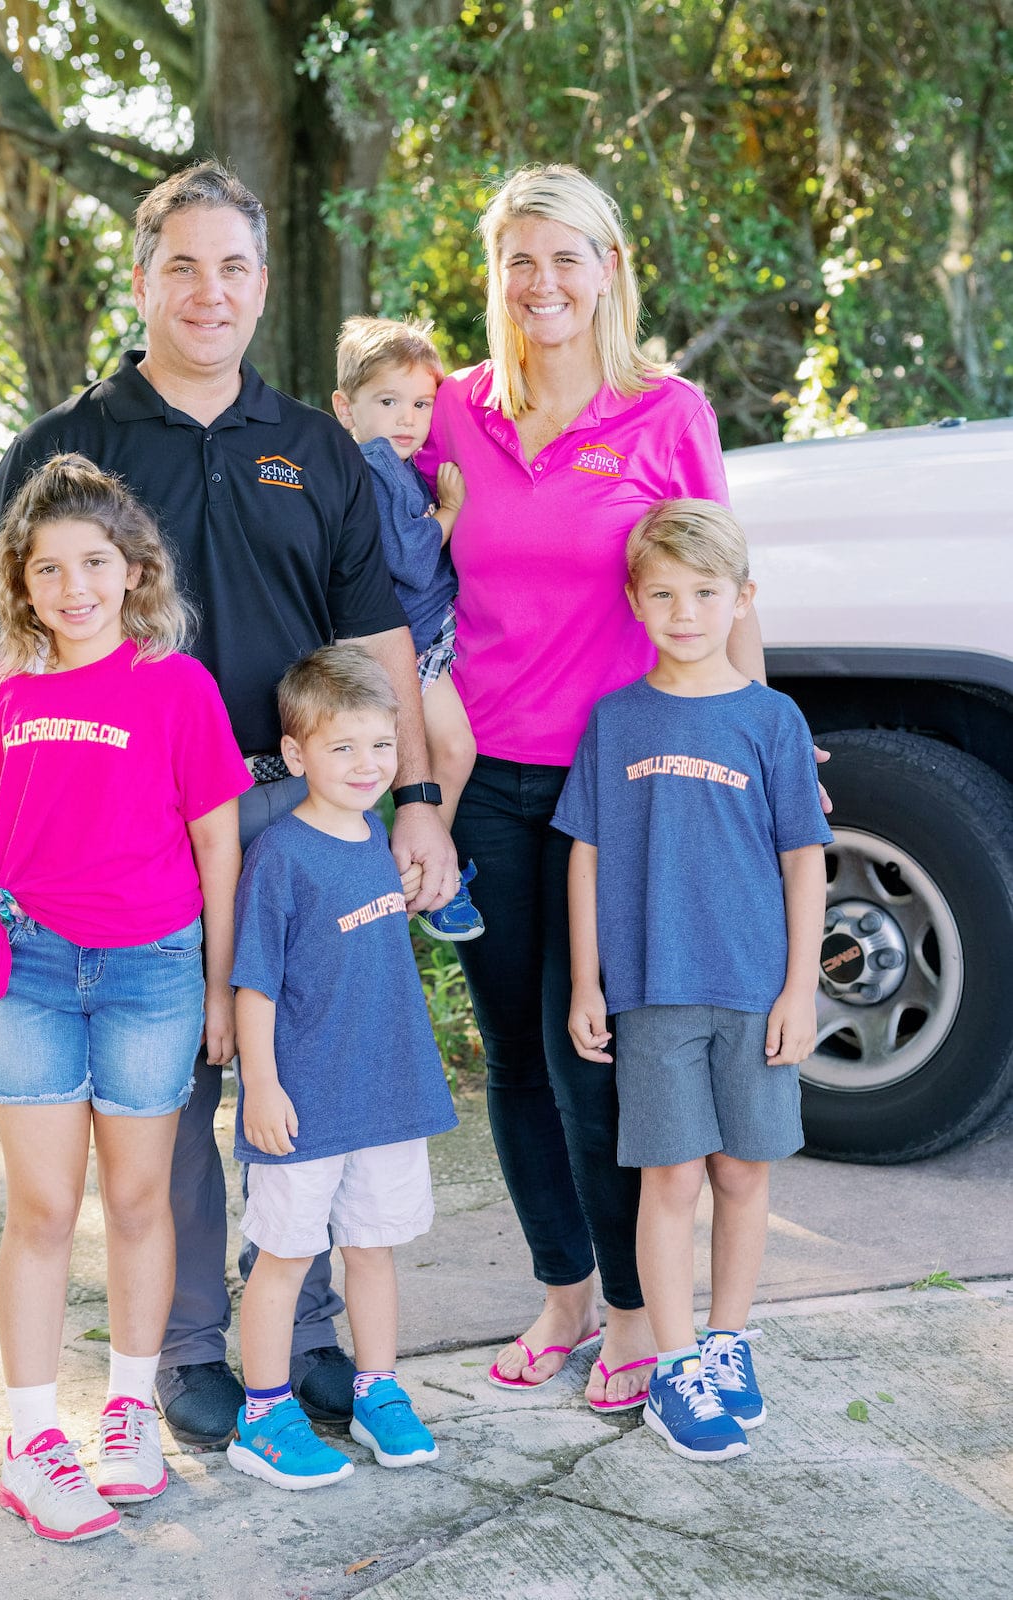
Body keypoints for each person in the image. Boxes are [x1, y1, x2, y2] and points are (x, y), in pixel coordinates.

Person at [0, 160, 457, 1449]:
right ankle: (180, 1351)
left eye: (231, 267)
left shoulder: (315, 447)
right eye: (182, 265)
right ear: (142, 280)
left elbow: (378, 637)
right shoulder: (68, 448)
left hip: (302, 813)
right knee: (161, 1096)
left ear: (262, 286)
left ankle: (309, 1333)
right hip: (126, 832)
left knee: (305, 1073)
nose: (207, 291)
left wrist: (417, 796)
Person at [416, 162, 767, 1408]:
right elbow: (391, 573)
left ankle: (631, 1310)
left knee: (598, 1055)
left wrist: (757, 738)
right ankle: (562, 1291)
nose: (542, 281)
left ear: (608, 269)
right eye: (519, 258)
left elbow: (724, 587)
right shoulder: (448, 413)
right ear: (494, 274)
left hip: (625, 789)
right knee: (514, 1055)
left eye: (566, 256)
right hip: (484, 781)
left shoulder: (667, 413)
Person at [0, 454, 251, 1540]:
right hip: (31, 971)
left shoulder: (177, 686)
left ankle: (127, 1409)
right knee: (41, 1209)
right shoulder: (4, 688)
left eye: (92, 563)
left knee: (137, 1200)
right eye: (48, 569)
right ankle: (32, 1442)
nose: (73, 586)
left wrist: (218, 988)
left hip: (151, 975)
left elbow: (217, 844)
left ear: (132, 571)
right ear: (21, 585)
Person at [556, 499, 831, 1459]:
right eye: (664, 594)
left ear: (741, 600)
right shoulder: (617, 720)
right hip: (653, 993)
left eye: (706, 594)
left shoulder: (772, 719)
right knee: (669, 1177)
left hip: (754, 990)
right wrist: (586, 983)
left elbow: (805, 861)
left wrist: (799, 989)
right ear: (636, 602)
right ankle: (675, 1368)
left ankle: (727, 1343)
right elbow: (586, 856)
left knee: (744, 1170)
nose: (685, 613)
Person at [226, 645, 457, 1489]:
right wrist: (262, 1085)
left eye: (381, 745)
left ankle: (377, 1390)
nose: (368, 765)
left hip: (386, 1094)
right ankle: (263, 1415)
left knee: (373, 1249)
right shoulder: (280, 855)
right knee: (285, 1257)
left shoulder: (380, 841)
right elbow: (255, 983)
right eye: (343, 747)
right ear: (296, 755)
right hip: (305, 1102)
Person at [331, 315, 482, 941]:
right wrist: (450, 511)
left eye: (420, 404)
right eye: (388, 401)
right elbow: (412, 561)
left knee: (445, 752)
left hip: (421, 637)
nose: (407, 418)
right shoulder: (374, 465)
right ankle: (427, 876)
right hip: (409, 644)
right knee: (453, 750)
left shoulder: (390, 464)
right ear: (346, 408)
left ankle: (421, 872)